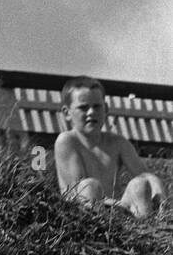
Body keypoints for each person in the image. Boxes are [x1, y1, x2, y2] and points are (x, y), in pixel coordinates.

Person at [54, 77, 166, 218]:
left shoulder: (117, 142)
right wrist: (119, 205)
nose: (91, 112)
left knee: (140, 185)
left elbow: (143, 174)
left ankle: (148, 230)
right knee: (89, 186)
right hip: (79, 216)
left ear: (106, 109)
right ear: (67, 113)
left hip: (114, 212)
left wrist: (156, 185)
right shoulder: (67, 141)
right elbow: (76, 192)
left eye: (97, 106)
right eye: (83, 107)